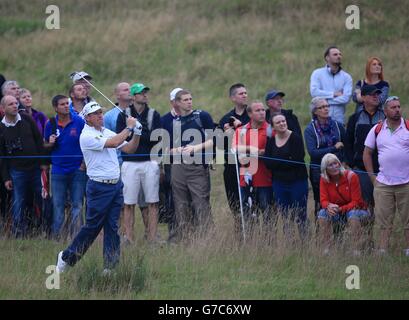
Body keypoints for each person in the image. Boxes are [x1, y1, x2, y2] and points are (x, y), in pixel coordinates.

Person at [55, 101, 142, 273]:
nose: (100, 115)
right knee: (93, 227)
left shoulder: (105, 131)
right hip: (99, 188)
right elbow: (114, 142)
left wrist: (137, 132)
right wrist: (130, 128)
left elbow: (130, 148)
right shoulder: (86, 136)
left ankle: (110, 267)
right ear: (87, 118)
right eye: (95, 113)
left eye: (101, 112)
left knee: (112, 227)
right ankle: (67, 257)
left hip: (115, 186)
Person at [363, 96, 409, 256]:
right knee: (384, 221)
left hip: (406, 183)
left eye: (399, 106)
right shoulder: (377, 129)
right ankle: (382, 251)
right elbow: (367, 154)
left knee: (408, 220)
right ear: (385, 110)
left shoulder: (408, 126)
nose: (397, 109)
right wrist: (372, 178)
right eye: (393, 107)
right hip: (383, 184)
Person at [116, 83, 161, 244]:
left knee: (152, 201)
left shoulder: (154, 114)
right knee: (128, 202)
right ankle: (128, 237)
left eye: (145, 92)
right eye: (141, 93)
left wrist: (139, 131)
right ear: (134, 97)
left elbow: (157, 138)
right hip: (129, 163)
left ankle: (153, 237)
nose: (144, 95)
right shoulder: (124, 115)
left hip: (149, 162)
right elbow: (120, 138)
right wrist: (131, 129)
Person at [169, 89, 215, 242]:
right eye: (185, 99)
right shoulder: (173, 121)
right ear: (177, 103)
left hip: (197, 165)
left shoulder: (202, 116)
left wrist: (196, 147)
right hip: (178, 166)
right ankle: (186, 239)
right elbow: (166, 148)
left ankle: (208, 238)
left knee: (200, 202)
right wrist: (177, 149)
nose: (189, 101)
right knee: (180, 203)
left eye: (190, 98)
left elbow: (215, 139)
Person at [0, 95, 44, 237]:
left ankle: (44, 229)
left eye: (16, 103)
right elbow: (2, 157)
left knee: (42, 199)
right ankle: (19, 232)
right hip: (17, 171)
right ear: (3, 108)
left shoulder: (27, 119)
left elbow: (39, 141)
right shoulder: (1, 128)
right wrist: (6, 177)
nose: (15, 106)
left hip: (36, 169)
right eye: (11, 104)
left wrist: (43, 163)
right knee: (18, 202)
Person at [44, 95, 86, 239]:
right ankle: (57, 237)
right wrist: (49, 142)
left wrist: (83, 164)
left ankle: (76, 237)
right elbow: (45, 146)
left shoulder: (79, 122)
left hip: (77, 170)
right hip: (58, 170)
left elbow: (86, 142)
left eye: (67, 103)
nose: (66, 106)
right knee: (58, 205)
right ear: (55, 108)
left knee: (77, 205)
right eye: (62, 104)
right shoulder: (50, 123)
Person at [264, 114, 308, 240]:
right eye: (278, 122)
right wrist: (285, 159)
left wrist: (277, 162)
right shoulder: (271, 141)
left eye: (283, 121)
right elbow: (268, 163)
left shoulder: (295, 138)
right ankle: (290, 242)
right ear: (273, 127)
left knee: (300, 213)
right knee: (285, 214)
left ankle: (305, 242)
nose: (282, 124)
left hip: (297, 181)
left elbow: (296, 160)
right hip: (279, 183)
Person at [232, 101, 272, 233]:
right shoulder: (242, 130)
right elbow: (235, 148)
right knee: (249, 216)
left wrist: (249, 150)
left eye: (263, 110)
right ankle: (251, 244)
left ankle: (269, 244)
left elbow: (271, 151)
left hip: (266, 179)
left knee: (268, 216)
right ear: (249, 113)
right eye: (258, 110)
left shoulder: (270, 129)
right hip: (246, 179)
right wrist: (252, 149)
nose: (262, 112)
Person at [318, 153, 369, 255]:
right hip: (336, 212)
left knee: (352, 215)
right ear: (325, 169)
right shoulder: (324, 179)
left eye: (336, 163)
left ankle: (356, 250)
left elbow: (356, 201)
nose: (334, 166)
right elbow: (323, 200)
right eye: (330, 165)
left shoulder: (351, 176)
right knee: (322, 213)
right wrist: (328, 206)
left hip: (358, 210)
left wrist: (340, 209)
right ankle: (328, 249)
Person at [304, 97, 346, 217]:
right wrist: (334, 148)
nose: (326, 109)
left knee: (340, 199)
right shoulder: (310, 130)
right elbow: (313, 153)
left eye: (327, 106)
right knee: (321, 202)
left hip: (339, 168)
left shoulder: (337, 125)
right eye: (322, 107)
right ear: (315, 111)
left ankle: (340, 230)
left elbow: (346, 145)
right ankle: (321, 230)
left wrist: (344, 161)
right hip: (319, 170)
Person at [218, 83, 250, 231]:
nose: (244, 95)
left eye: (245, 93)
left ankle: (255, 235)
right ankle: (239, 234)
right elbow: (219, 146)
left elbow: (256, 135)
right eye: (240, 93)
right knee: (235, 205)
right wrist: (226, 134)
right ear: (232, 98)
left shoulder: (253, 114)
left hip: (251, 167)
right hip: (231, 167)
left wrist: (240, 126)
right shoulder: (225, 118)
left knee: (251, 203)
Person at [160, 87, 183, 241]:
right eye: (178, 99)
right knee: (173, 200)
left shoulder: (195, 117)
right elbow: (159, 145)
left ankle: (192, 234)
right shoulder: (163, 120)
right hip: (171, 165)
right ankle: (174, 235)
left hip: (191, 165)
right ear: (173, 102)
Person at [310, 46, 353, 124]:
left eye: (340, 54)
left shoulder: (347, 77)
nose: (339, 56)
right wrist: (333, 94)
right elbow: (314, 92)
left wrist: (323, 102)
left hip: (338, 120)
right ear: (327, 58)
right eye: (335, 54)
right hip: (320, 121)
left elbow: (346, 98)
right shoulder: (317, 73)